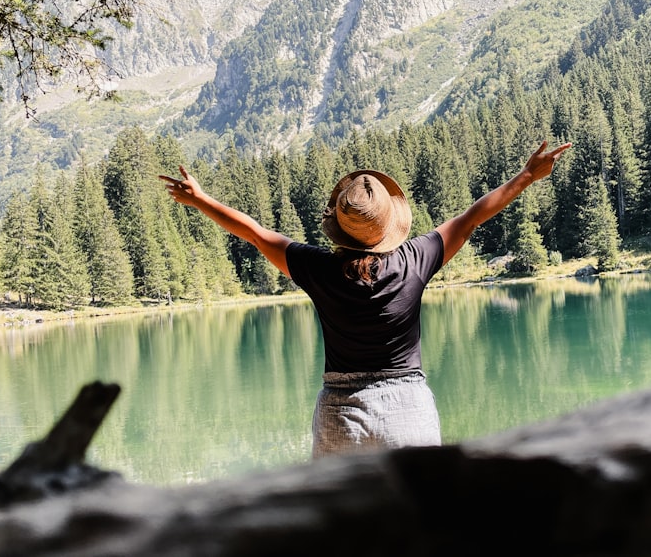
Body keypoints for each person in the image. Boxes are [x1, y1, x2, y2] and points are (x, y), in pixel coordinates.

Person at [161, 139, 572, 458]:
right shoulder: (415, 259)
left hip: (340, 415)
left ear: (340, 226)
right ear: (390, 224)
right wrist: (526, 177)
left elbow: (253, 232)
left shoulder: (318, 269)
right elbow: (471, 218)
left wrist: (200, 200)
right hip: (408, 410)